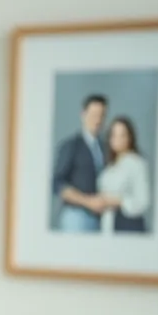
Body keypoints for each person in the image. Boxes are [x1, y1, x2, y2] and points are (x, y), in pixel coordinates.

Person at [52, 94, 109, 232]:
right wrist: (88, 202)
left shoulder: (105, 147)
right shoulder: (71, 145)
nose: (98, 120)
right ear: (83, 114)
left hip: (100, 218)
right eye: (94, 114)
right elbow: (58, 184)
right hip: (77, 216)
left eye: (101, 115)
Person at [96, 116, 151, 233]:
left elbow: (143, 201)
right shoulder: (109, 166)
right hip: (108, 223)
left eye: (122, 135)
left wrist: (117, 201)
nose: (118, 139)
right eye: (114, 135)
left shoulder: (137, 163)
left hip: (127, 224)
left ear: (130, 137)